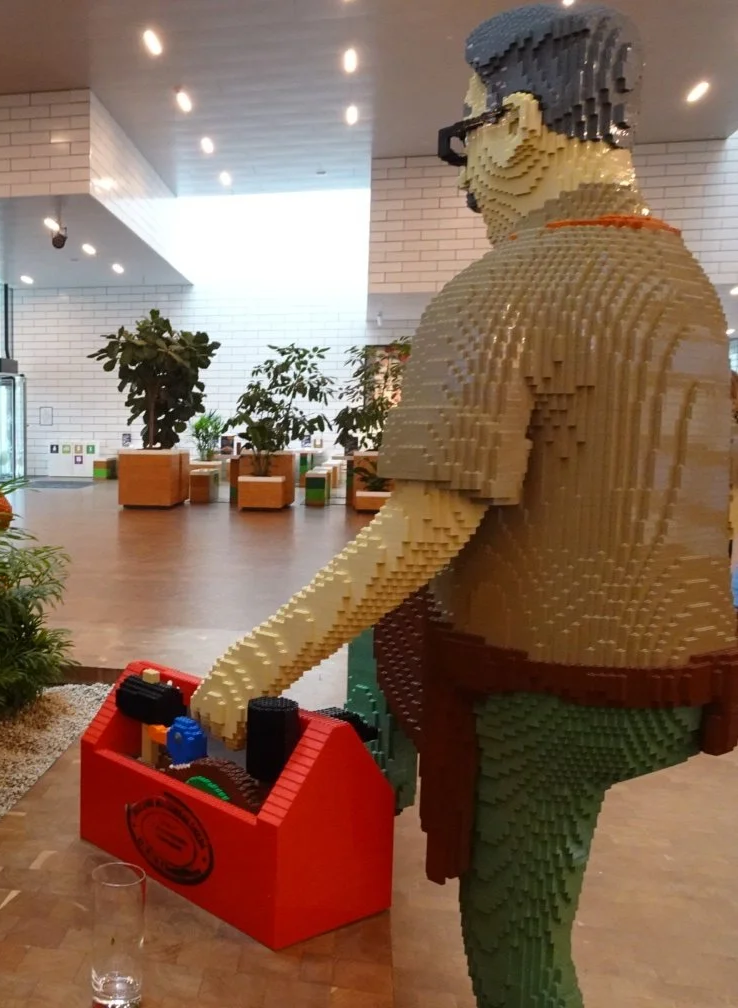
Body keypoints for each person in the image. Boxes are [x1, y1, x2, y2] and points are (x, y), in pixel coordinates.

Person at [191, 5, 736, 1006]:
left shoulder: (501, 290)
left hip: (559, 692)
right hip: (690, 677)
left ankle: (373, 771)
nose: (466, 177)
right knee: (397, 619)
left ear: (519, 126)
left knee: (518, 946)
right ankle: (379, 766)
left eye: (466, 137)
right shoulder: (685, 280)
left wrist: (253, 661)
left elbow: (424, 527)